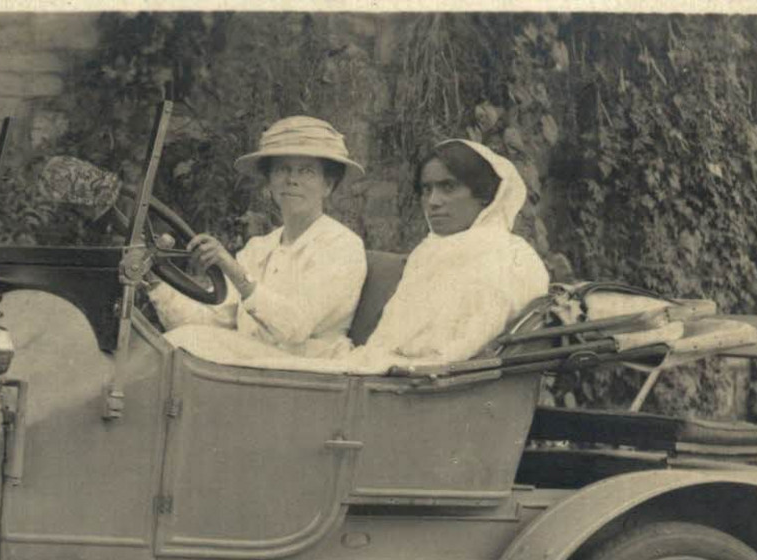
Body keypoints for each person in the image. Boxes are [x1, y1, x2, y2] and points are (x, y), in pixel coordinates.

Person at [148, 116, 367, 359]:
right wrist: (153, 276)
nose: (292, 180)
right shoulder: (259, 248)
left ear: (328, 185)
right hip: (253, 368)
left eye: (307, 171)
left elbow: (295, 327)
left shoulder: (341, 246)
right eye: (283, 169)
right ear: (270, 182)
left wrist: (233, 270)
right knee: (171, 344)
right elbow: (206, 321)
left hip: (310, 375)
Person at [342, 139, 549, 372]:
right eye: (426, 190)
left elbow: (457, 349)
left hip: (453, 387)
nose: (433, 202)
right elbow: (390, 337)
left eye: (448, 187)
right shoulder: (429, 252)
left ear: (484, 194)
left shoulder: (507, 255)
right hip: (401, 373)